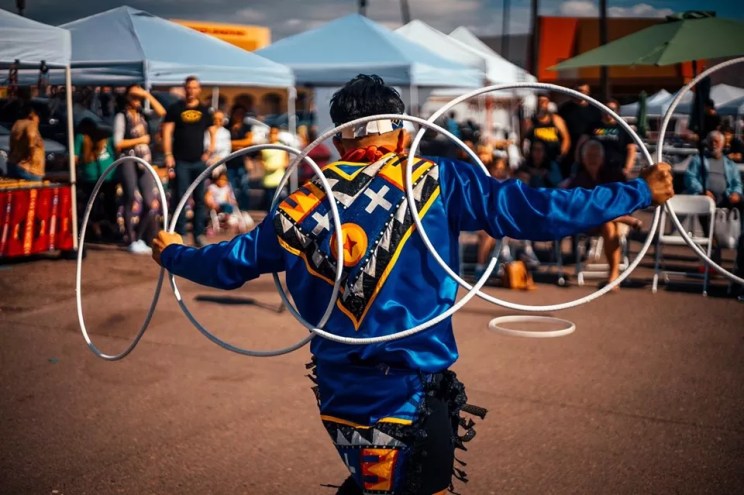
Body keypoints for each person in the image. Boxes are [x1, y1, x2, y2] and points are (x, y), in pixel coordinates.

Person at [151, 74, 674, 495]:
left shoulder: (302, 203)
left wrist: (171, 251)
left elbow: (229, 263)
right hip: (408, 390)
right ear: (402, 132)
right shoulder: (439, 179)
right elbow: (538, 211)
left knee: (390, 485)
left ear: (339, 137)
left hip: (341, 393)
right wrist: (637, 193)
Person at [566, 140, 644, 289]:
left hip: (613, 221)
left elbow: (624, 201)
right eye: (589, 156)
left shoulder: (614, 176)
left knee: (608, 224)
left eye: (596, 156)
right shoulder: (579, 179)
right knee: (603, 216)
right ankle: (614, 276)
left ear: (602, 158)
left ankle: (613, 276)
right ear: (583, 159)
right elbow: (574, 205)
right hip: (587, 222)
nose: (592, 159)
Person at [162, 76, 215, 247]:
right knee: (180, 198)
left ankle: (198, 234)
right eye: (189, 87)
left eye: (194, 87)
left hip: (198, 162)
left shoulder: (205, 110)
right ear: (185, 89)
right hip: (181, 161)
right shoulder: (175, 109)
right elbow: (167, 132)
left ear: (199, 90)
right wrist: (168, 154)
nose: (191, 90)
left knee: (200, 199)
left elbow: (213, 132)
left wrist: (209, 151)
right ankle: (181, 233)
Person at [113, 84, 166, 254]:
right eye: (133, 96)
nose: (136, 100)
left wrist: (146, 95)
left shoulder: (143, 114)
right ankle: (131, 239)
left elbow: (162, 112)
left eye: (138, 97)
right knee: (130, 197)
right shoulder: (121, 116)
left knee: (150, 202)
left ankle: (140, 237)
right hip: (129, 158)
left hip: (144, 159)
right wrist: (140, 140)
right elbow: (118, 143)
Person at [74, 117, 118, 241]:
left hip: (90, 177)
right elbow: (116, 151)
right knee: (110, 203)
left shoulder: (81, 137)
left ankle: (96, 230)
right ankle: (112, 228)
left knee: (91, 205)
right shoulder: (106, 137)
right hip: (109, 174)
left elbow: (74, 158)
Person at [577, 99, 637, 178]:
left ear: (617, 111)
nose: (608, 112)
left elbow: (631, 149)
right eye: (605, 109)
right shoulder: (593, 126)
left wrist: (627, 169)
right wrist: (579, 162)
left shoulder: (623, 128)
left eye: (612, 109)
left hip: (616, 168)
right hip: (596, 170)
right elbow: (581, 144)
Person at [684, 130, 743, 208]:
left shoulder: (730, 164)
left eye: (716, 142)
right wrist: (702, 190)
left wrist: (736, 193)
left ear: (722, 144)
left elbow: (737, 183)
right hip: (702, 200)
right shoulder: (698, 160)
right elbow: (689, 178)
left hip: (725, 202)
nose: (713, 144)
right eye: (711, 142)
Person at [558, 82, 602, 177]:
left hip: (589, 149)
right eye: (578, 91)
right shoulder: (564, 109)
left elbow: (600, 128)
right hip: (569, 150)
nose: (581, 93)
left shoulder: (595, 110)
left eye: (584, 91)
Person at [522, 94, 570, 173]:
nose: (542, 104)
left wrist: (561, 156)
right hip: (537, 164)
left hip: (554, 160)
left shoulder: (556, 119)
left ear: (548, 103)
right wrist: (527, 159)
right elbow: (523, 140)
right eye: (539, 101)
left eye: (544, 101)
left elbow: (566, 138)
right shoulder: (531, 122)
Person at [6, 102, 45, 181]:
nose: (38, 120)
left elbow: (12, 145)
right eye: (37, 116)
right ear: (32, 115)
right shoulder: (31, 124)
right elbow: (31, 138)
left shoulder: (17, 124)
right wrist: (31, 154)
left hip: (13, 164)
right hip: (29, 169)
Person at [259, 126, 289, 211]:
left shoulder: (283, 147)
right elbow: (261, 160)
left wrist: (277, 166)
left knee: (282, 204)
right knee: (269, 205)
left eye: (275, 133)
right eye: (271, 133)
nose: (273, 135)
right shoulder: (265, 147)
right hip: (268, 181)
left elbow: (286, 161)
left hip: (280, 180)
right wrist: (266, 166)